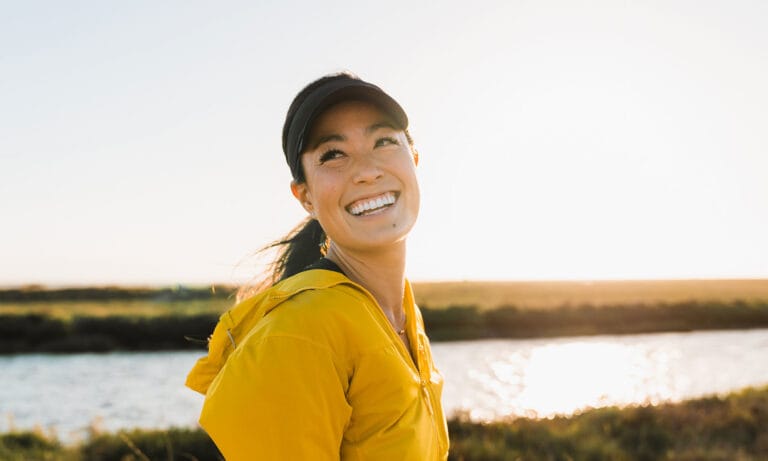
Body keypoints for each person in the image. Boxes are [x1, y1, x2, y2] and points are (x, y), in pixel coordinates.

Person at [186, 72, 449, 460]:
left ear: (414, 158)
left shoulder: (401, 315)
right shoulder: (299, 331)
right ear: (305, 196)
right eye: (333, 154)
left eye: (384, 142)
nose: (367, 170)